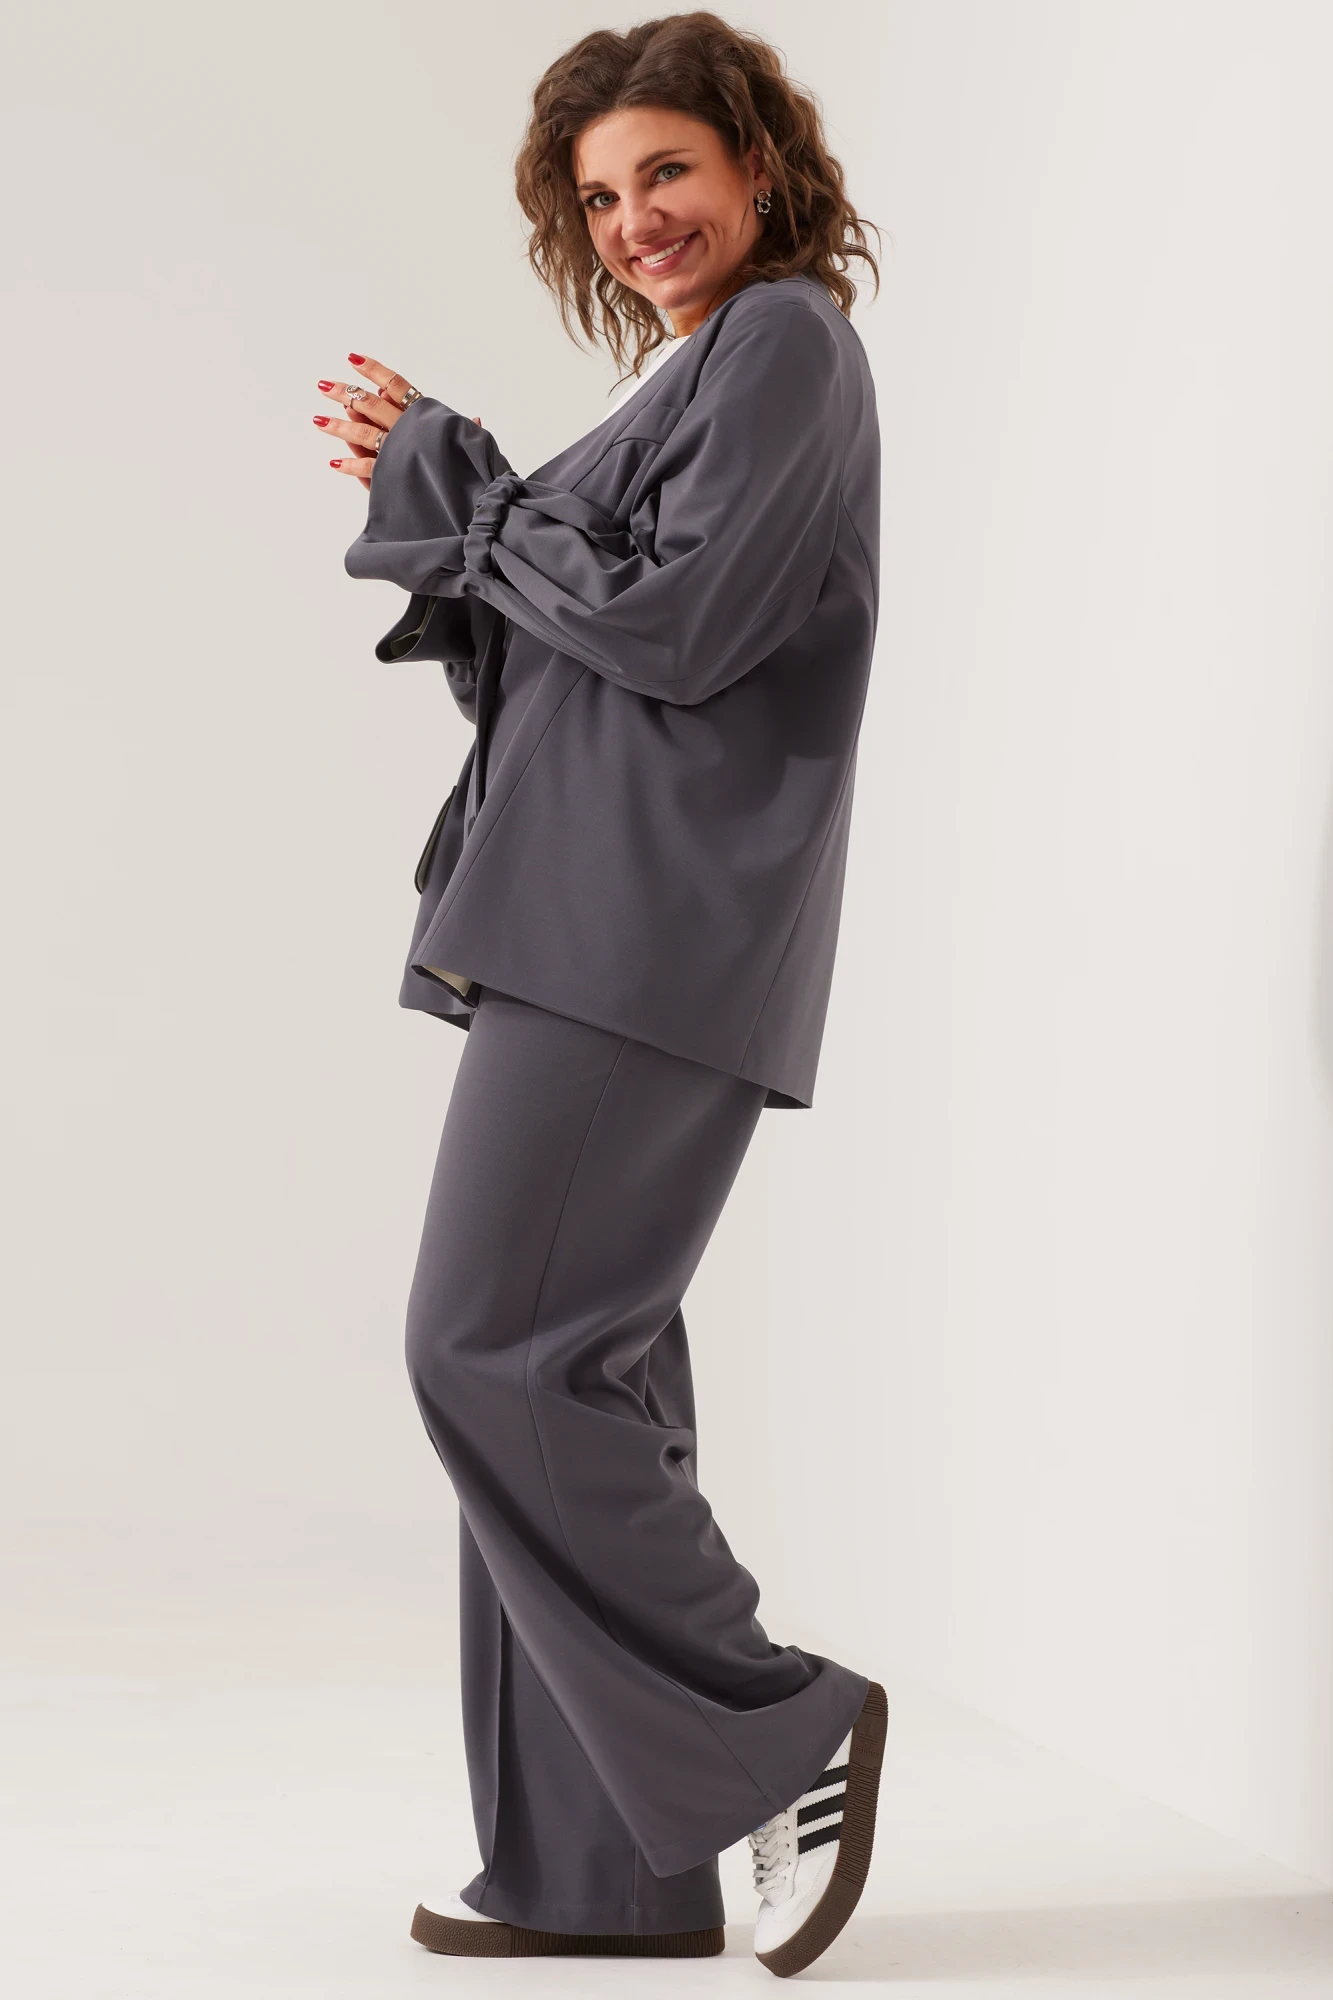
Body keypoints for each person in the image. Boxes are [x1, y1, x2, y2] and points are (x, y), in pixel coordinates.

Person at [311, 11, 885, 1979]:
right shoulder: (692, 372)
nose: (638, 217)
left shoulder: (787, 341)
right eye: (603, 194)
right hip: (595, 922)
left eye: (669, 172)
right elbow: (573, 653)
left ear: (757, 165)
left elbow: (684, 626)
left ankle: (778, 1724)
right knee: (585, 1373)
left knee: (493, 1353)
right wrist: (455, 496)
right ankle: (596, 1870)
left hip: (644, 934)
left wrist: (465, 488)